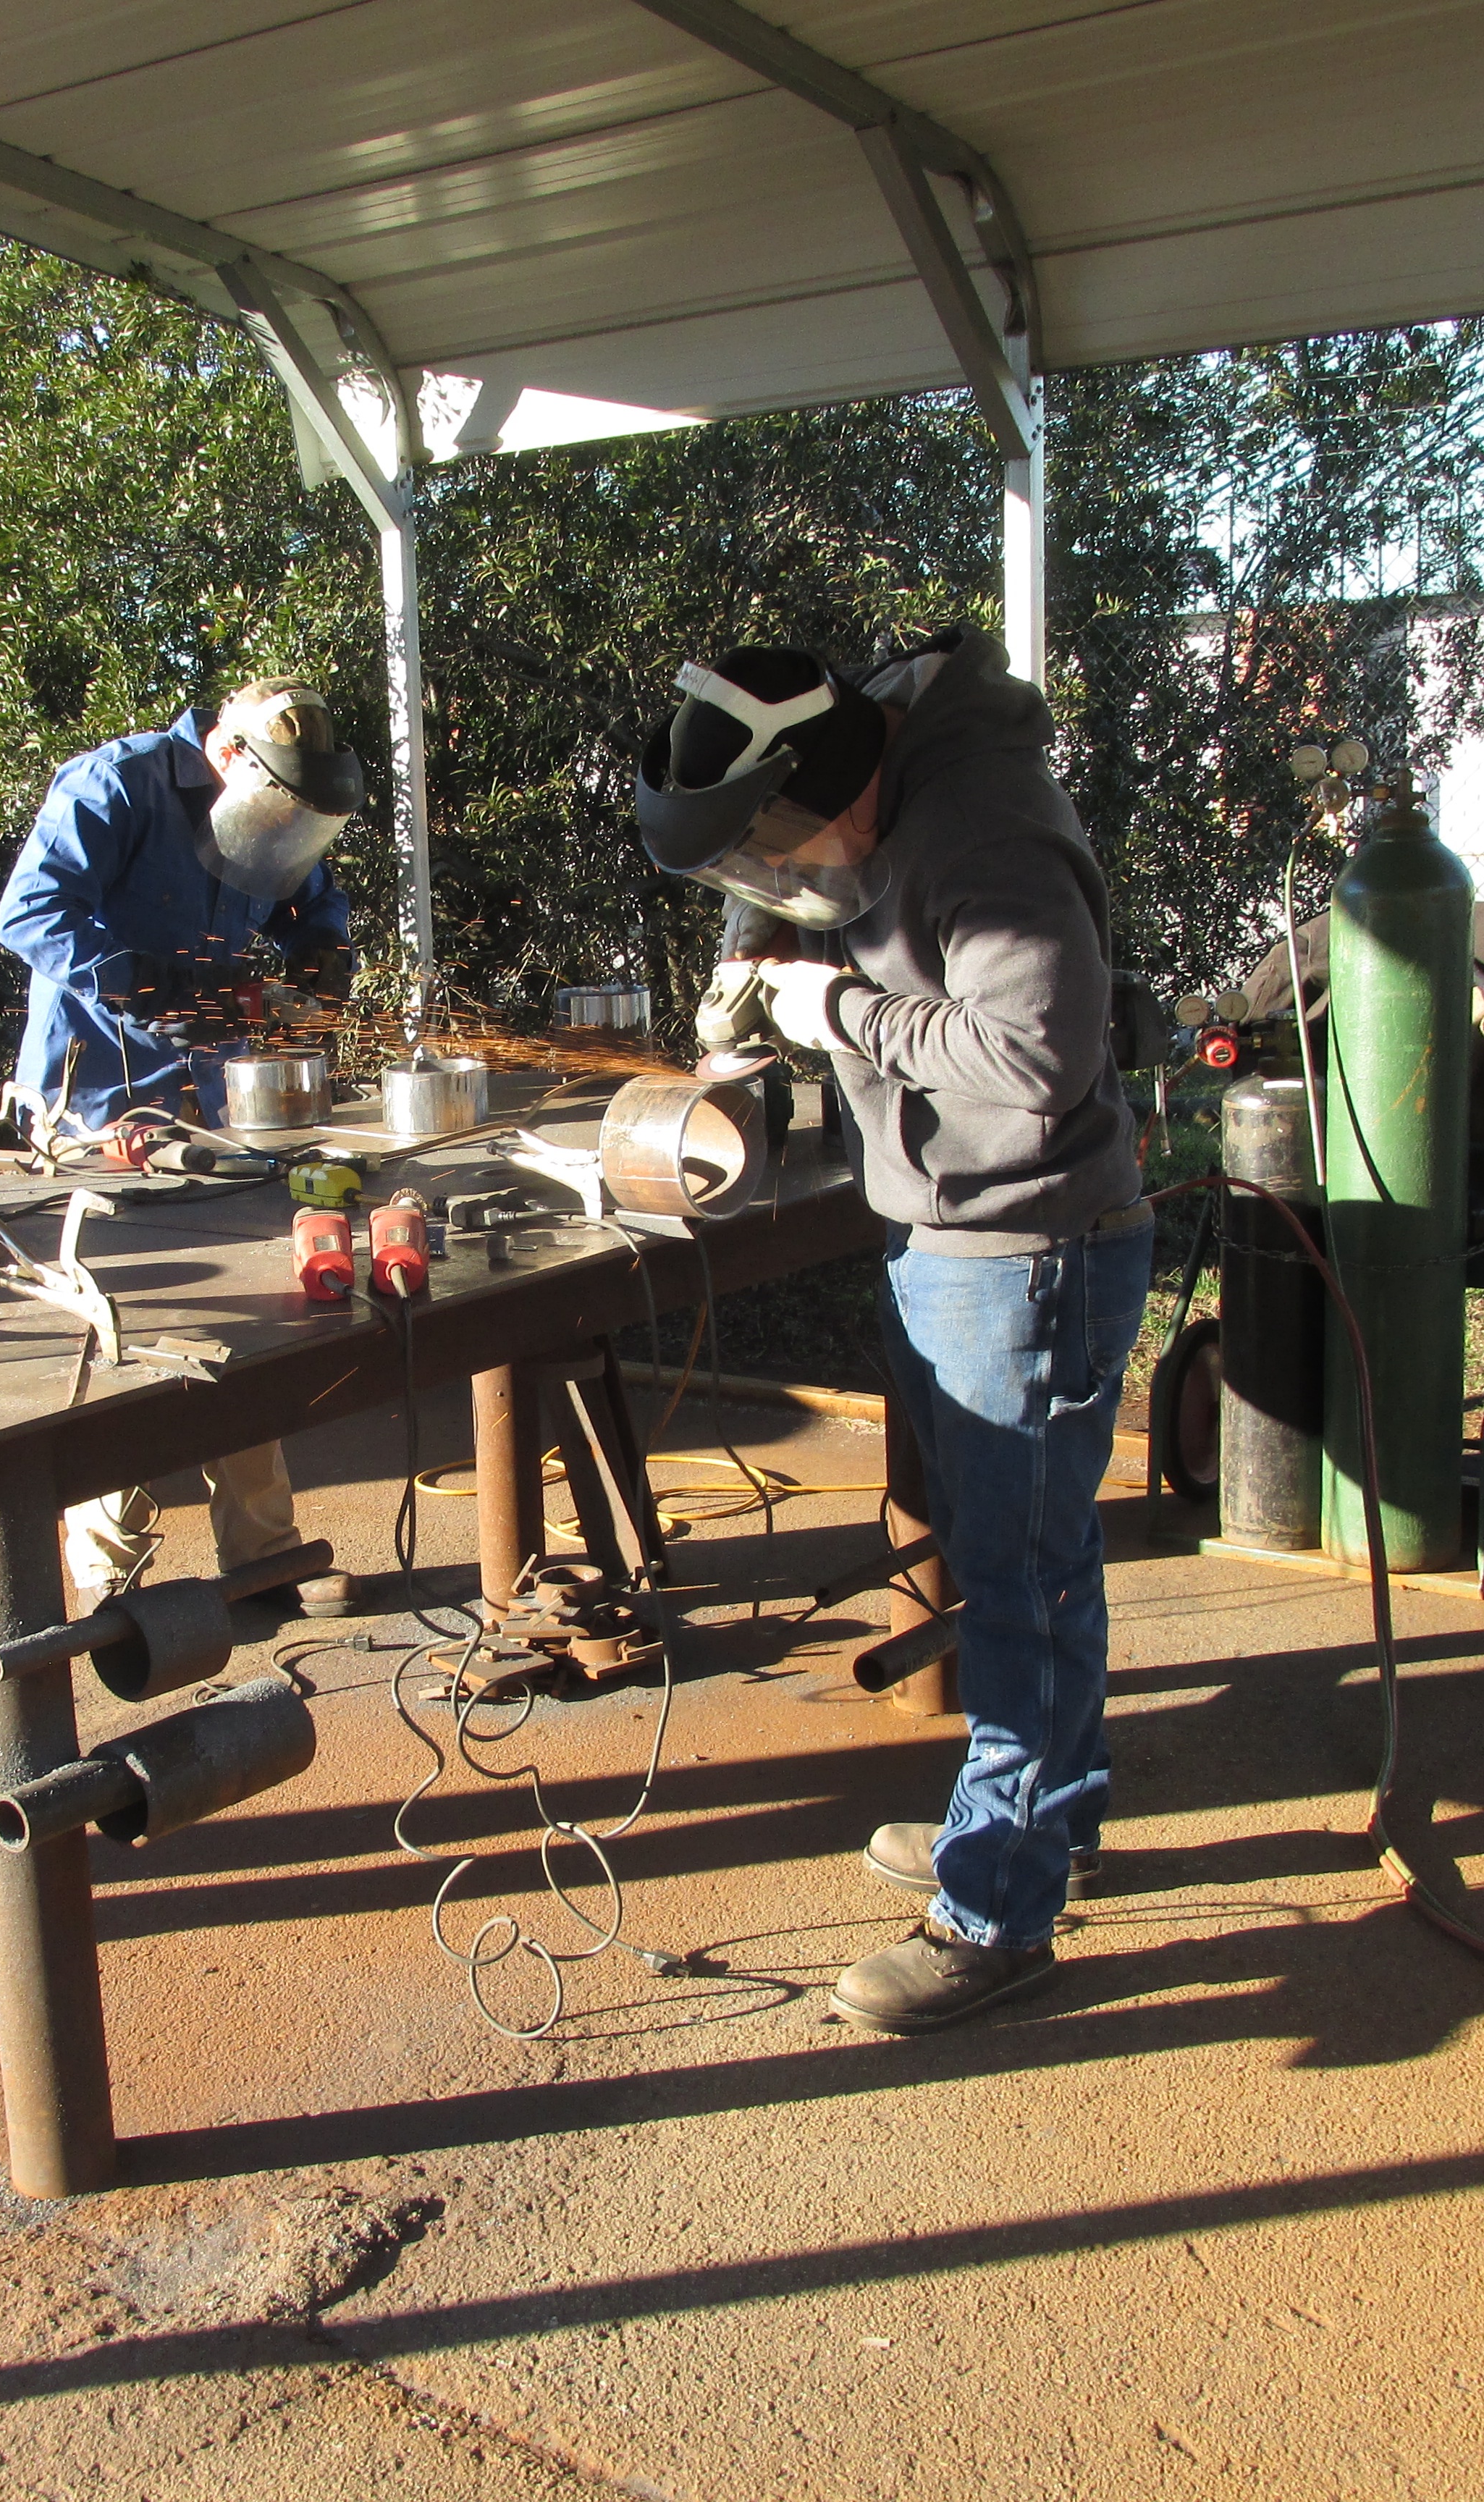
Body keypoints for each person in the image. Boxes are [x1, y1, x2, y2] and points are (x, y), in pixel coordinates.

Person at [638, 633, 1148, 2031]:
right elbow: (821, 880)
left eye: (778, 852)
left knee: (1018, 1584)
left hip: (1029, 1253)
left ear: (839, 782)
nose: (785, 875)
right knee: (1036, 1556)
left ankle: (997, 1912)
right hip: (962, 1237)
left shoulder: (983, 828)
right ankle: (1054, 1820)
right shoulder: (874, 761)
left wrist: (837, 1008)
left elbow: (1041, 1055)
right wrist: (758, 962)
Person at [0, 675, 364, 1616]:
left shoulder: (276, 797)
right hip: (101, 1110)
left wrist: (324, 946)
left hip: (212, 1106)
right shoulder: (115, 785)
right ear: (230, 757)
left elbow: (308, 899)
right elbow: (29, 913)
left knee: (244, 1320)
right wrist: (143, 979)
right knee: (123, 1335)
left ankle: (263, 1559)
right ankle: (106, 1582)